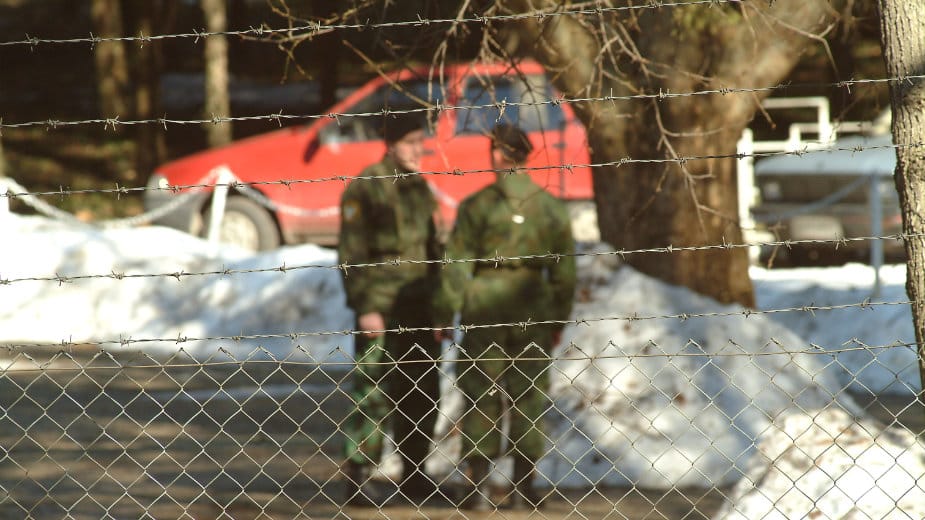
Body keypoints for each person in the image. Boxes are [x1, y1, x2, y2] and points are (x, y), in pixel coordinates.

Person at [433, 123, 577, 510]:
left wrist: (447, 310)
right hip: (534, 306)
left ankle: (478, 486)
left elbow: (458, 264)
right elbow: (565, 273)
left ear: (498, 154)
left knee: (481, 395)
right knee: (528, 395)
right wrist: (557, 319)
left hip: (485, 306)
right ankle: (524, 487)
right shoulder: (550, 209)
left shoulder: (477, 207)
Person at [338, 111, 443, 506]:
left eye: (422, 142)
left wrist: (441, 308)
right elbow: (351, 255)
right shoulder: (365, 188)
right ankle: (361, 473)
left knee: (422, 389)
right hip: (381, 306)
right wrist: (365, 306)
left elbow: (437, 253)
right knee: (375, 389)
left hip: (419, 308)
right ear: (392, 143)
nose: (419, 150)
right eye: (411, 142)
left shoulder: (420, 189)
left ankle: (415, 474)